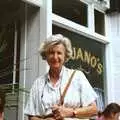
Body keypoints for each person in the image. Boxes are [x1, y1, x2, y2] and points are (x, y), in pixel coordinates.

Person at [24, 34, 98, 120]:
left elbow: (94, 110)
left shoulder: (77, 77)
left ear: (65, 56)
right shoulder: (38, 83)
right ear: (45, 55)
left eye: (59, 53)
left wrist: (71, 112)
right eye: (51, 53)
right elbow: (31, 116)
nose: (55, 57)